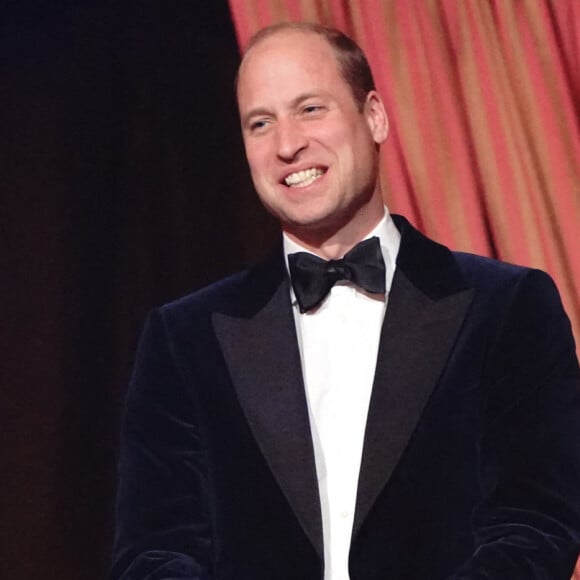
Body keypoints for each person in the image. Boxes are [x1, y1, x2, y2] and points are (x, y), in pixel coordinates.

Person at [110, 22, 580, 580]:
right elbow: (153, 554)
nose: (287, 144)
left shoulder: (507, 307)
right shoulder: (183, 337)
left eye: (310, 109)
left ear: (375, 116)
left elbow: (536, 525)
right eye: (261, 123)